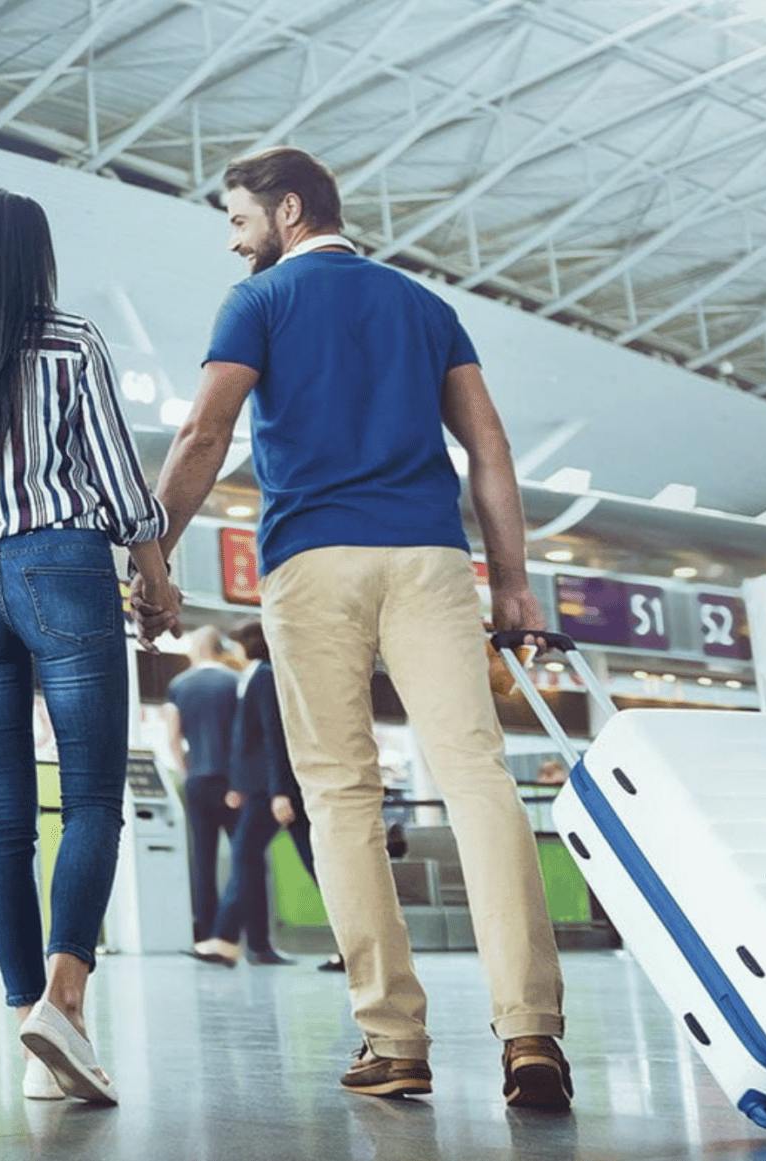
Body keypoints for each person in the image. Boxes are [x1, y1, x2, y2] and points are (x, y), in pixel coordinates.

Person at [140, 146, 569, 1107]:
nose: (232, 237)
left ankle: (395, 1037)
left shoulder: (258, 304)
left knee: (340, 795)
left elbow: (203, 433)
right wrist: (514, 585)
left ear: (288, 211)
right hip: (428, 559)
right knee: (477, 779)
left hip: (313, 564)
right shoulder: (424, 307)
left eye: (240, 218)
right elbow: (488, 446)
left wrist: (154, 550)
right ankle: (531, 1032)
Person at [0, 188, 174, 1106]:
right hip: (63, 570)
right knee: (90, 799)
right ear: (34, 258)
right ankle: (63, 999)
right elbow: (120, 480)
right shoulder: (71, 342)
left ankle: (29, 1030)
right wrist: (156, 572)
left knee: (3, 819)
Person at [191, 621, 295, 968]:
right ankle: (234, 942)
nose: (233, 649)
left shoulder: (263, 676)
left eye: (237, 643)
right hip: (259, 788)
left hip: (269, 790)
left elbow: (271, 735)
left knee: (246, 855)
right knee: (249, 857)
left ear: (250, 644)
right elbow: (245, 742)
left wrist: (279, 790)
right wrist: (239, 785)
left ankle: (225, 940)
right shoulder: (252, 676)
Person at [166, 626, 241, 944]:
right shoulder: (235, 682)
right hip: (234, 783)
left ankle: (207, 932)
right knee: (245, 858)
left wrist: (187, 771)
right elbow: (246, 737)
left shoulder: (178, 685)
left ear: (195, 649)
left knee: (203, 861)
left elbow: (173, 738)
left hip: (198, 782)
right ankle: (238, 932)